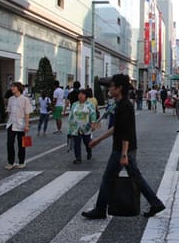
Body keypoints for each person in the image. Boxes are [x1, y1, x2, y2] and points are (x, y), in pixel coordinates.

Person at [82, 74, 165, 219]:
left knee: (108, 178)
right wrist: (99, 140)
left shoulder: (125, 105)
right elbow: (117, 128)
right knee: (136, 177)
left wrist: (124, 154)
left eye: (112, 86)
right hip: (125, 148)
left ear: (119, 88)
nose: (109, 88)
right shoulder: (121, 104)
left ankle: (100, 209)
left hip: (122, 149)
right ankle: (155, 202)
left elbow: (125, 132)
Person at [5, 82, 33, 170]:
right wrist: (7, 120)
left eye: (14, 87)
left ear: (18, 88)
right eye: (11, 87)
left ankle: (21, 161)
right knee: (9, 143)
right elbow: (8, 111)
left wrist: (27, 125)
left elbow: (27, 113)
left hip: (21, 124)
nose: (12, 88)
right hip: (11, 124)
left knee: (22, 144)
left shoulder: (25, 99)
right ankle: (11, 162)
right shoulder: (10, 99)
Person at [68, 88, 97, 163]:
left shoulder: (89, 105)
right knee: (76, 143)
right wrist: (70, 128)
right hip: (75, 127)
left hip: (86, 127)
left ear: (86, 96)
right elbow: (71, 115)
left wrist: (93, 124)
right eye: (79, 94)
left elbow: (93, 114)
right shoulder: (74, 104)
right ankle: (78, 158)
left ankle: (89, 151)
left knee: (87, 142)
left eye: (83, 94)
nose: (80, 96)